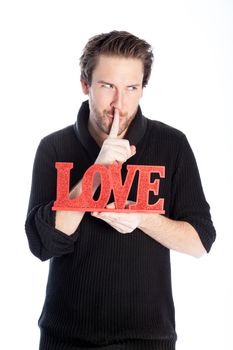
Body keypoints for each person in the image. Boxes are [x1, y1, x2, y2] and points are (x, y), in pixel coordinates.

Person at [25, 30, 216, 350]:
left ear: (143, 89)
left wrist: (143, 217)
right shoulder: (55, 147)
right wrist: (96, 173)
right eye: (107, 86)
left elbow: (200, 242)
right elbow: (42, 244)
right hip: (66, 338)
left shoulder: (172, 145)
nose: (119, 103)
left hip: (148, 339)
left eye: (131, 88)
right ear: (85, 84)